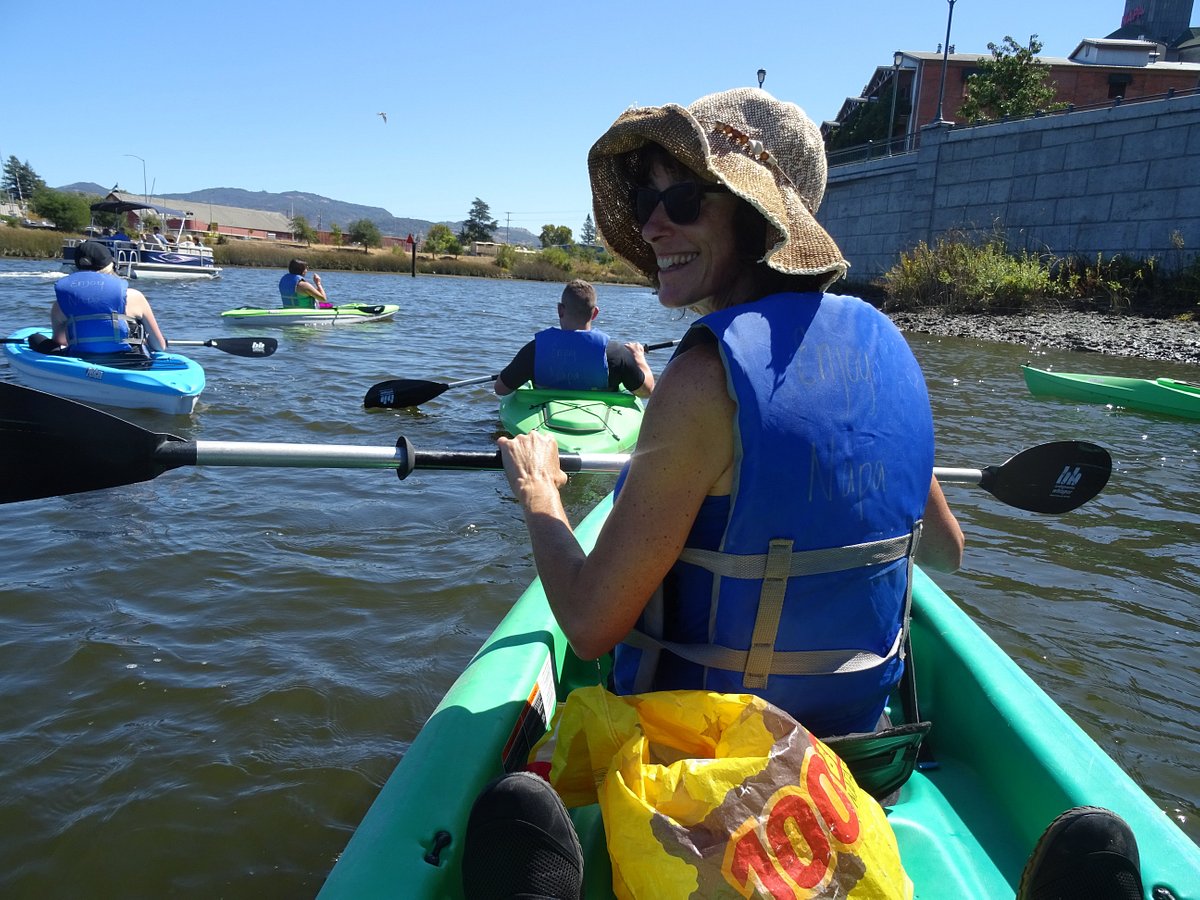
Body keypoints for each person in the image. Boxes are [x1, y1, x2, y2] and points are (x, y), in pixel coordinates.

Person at [466, 87, 1143, 898]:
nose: (651, 225)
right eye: (646, 198)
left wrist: (540, 491)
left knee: (521, 788)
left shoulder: (702, 375)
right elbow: (945, 551)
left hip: (709, 766)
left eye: (682, 197)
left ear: (757, 216)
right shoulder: (888, 348)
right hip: (862, 757)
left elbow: (587, 623)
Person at [493, 279, 655, 398]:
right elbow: (646, 392)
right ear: (595, 313)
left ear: (560, 310)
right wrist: (639, 357)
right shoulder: (615, 353)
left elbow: (501, 389)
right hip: (597, 422)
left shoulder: (535, 350)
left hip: (545, 414)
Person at [50, 240, 167, 355]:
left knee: (36, 340)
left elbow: (60, 341)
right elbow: (159, 346)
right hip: (132, 364)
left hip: (83, 360)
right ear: (111, 266)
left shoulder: (61, 303)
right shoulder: (134, 296)